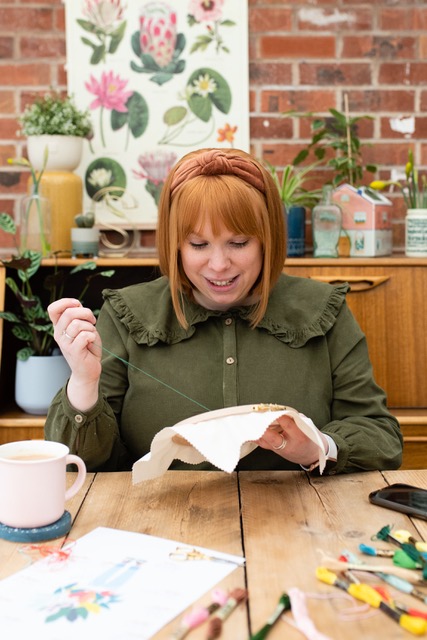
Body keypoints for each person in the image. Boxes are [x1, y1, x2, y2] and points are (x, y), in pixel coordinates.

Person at [45, 147, 403, 473]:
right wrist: (84, 384)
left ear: (268, 239)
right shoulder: (127, 314)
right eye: (199, 244)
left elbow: (380, 436)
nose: (219, 265)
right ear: (176, 245)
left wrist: (318, 449)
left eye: (239, 242)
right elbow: (79, 464)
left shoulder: (325, 310)